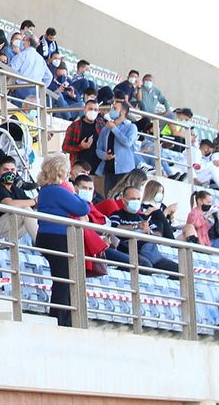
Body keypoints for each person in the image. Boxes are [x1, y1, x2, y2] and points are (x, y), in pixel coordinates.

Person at [34, 153, 93, 326]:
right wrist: (73, 191)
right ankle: (60, 319)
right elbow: (82, 208)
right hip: (57, 237)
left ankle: (61, 317)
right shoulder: (57, 190)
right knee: (64, 280)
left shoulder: (45, 190)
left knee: (62, 279)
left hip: (47, 236)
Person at [96, 98, 142, 195]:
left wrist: (114, 129)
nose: (112, 110)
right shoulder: (105, 129)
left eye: (115, 108)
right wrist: (105, 156)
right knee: (109, 197)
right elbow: (98, 149)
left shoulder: (131, 127)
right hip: (109, 169)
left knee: (123, 197)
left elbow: (128, 142)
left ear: (123, 112)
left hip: (124, 170)